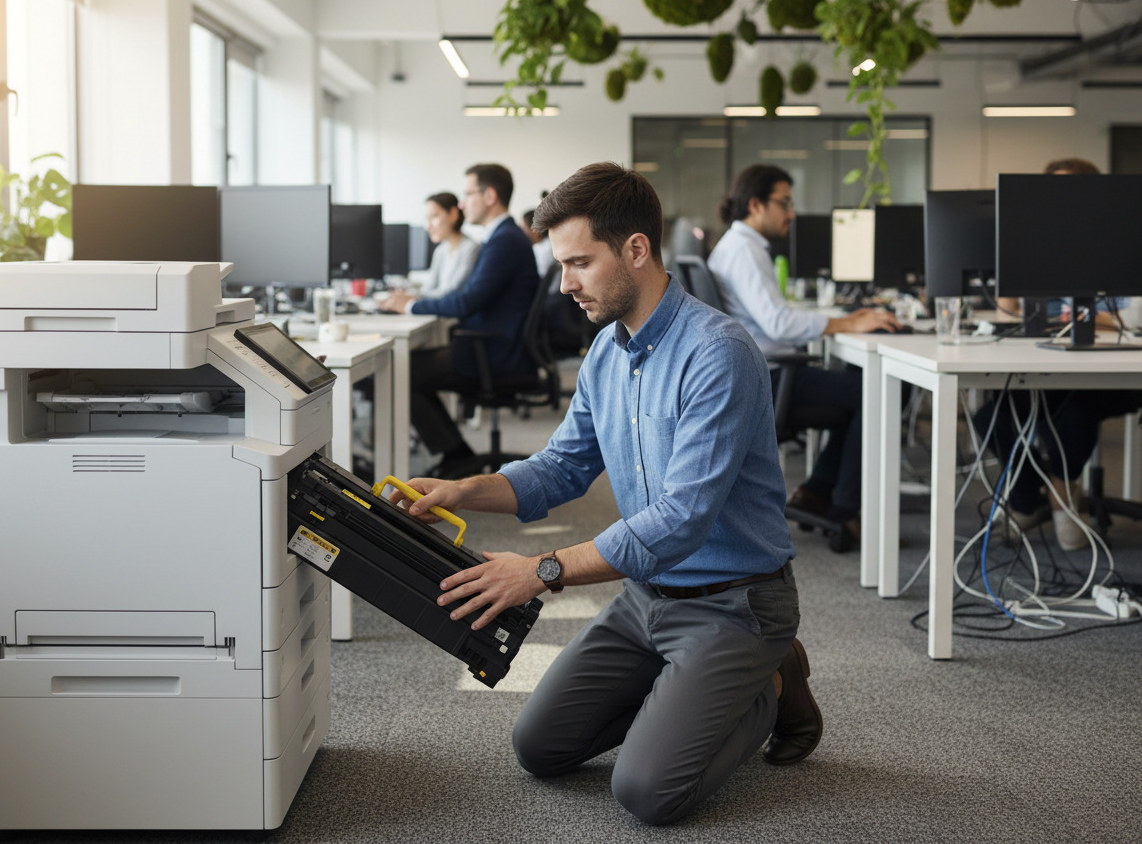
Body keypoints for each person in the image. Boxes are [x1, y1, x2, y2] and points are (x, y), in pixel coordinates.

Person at [389, 162, 822, 825]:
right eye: (560, 265)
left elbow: (680, 520)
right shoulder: (605, 353)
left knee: (647, 791)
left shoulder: (718, 352)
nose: (564, 285)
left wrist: (543, 570)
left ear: (636, 250)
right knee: (540, 746)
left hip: (734, 602)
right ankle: (701, 686)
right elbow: (562, 467)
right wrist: (462, 489)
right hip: (646, 596)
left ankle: (769, 679)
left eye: (580, 264)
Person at [706, 164, 902, 548]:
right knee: (879, 392)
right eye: (785, 203)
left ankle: (819, 491)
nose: (791, 214)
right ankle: (844, 512)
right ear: (756, 205)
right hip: (769, 378)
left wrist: (841, 320)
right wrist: (848, 323)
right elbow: (779, 323)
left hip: (758, 372)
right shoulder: (744, 250)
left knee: (860, 391)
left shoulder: (737, 246)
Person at [975, 157, 1142, 550]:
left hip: (1116, 369)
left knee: (1073, 410)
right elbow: (1010, 310)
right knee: (993, 413)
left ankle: (1060, 499)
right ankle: (1032, 495)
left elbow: (1136, 313)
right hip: (1046, 362)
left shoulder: (1124, 237)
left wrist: (1080, 319)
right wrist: (1014, 250)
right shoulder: (1040, 241)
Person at [379, 163, 539, 476]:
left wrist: (410, 306)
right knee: (407, 368)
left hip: (493, 352)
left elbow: (466, 302)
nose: (462, 204)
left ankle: (455, 454)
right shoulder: (502, 238)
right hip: (490, 344)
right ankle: (457, 453)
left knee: (401, 371)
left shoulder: (504, 241)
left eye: (468, 194)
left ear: (490, 195)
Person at [415, 192, 479, 299]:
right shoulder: (441, 250)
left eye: (434, 217)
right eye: (427, 219)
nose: (428, 226)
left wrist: (413, 297)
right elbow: (429, 287)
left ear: (453, 214)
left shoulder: (471, 249)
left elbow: (452, 292)